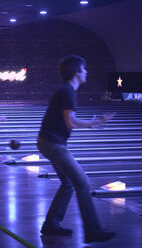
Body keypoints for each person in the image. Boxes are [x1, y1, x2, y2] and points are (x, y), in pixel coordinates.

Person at [37, 55, 116, 243]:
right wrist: (95, 122)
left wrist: (94, 123)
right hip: (52, 144)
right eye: (84, 68)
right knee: (82, 183)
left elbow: (68, 121)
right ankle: (93, 231)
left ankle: (51, 225)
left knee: (68, 184)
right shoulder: (67, 91)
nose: (86, 71)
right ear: (76, 72)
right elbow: (70, 121)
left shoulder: (67, 90)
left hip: (48, 142)